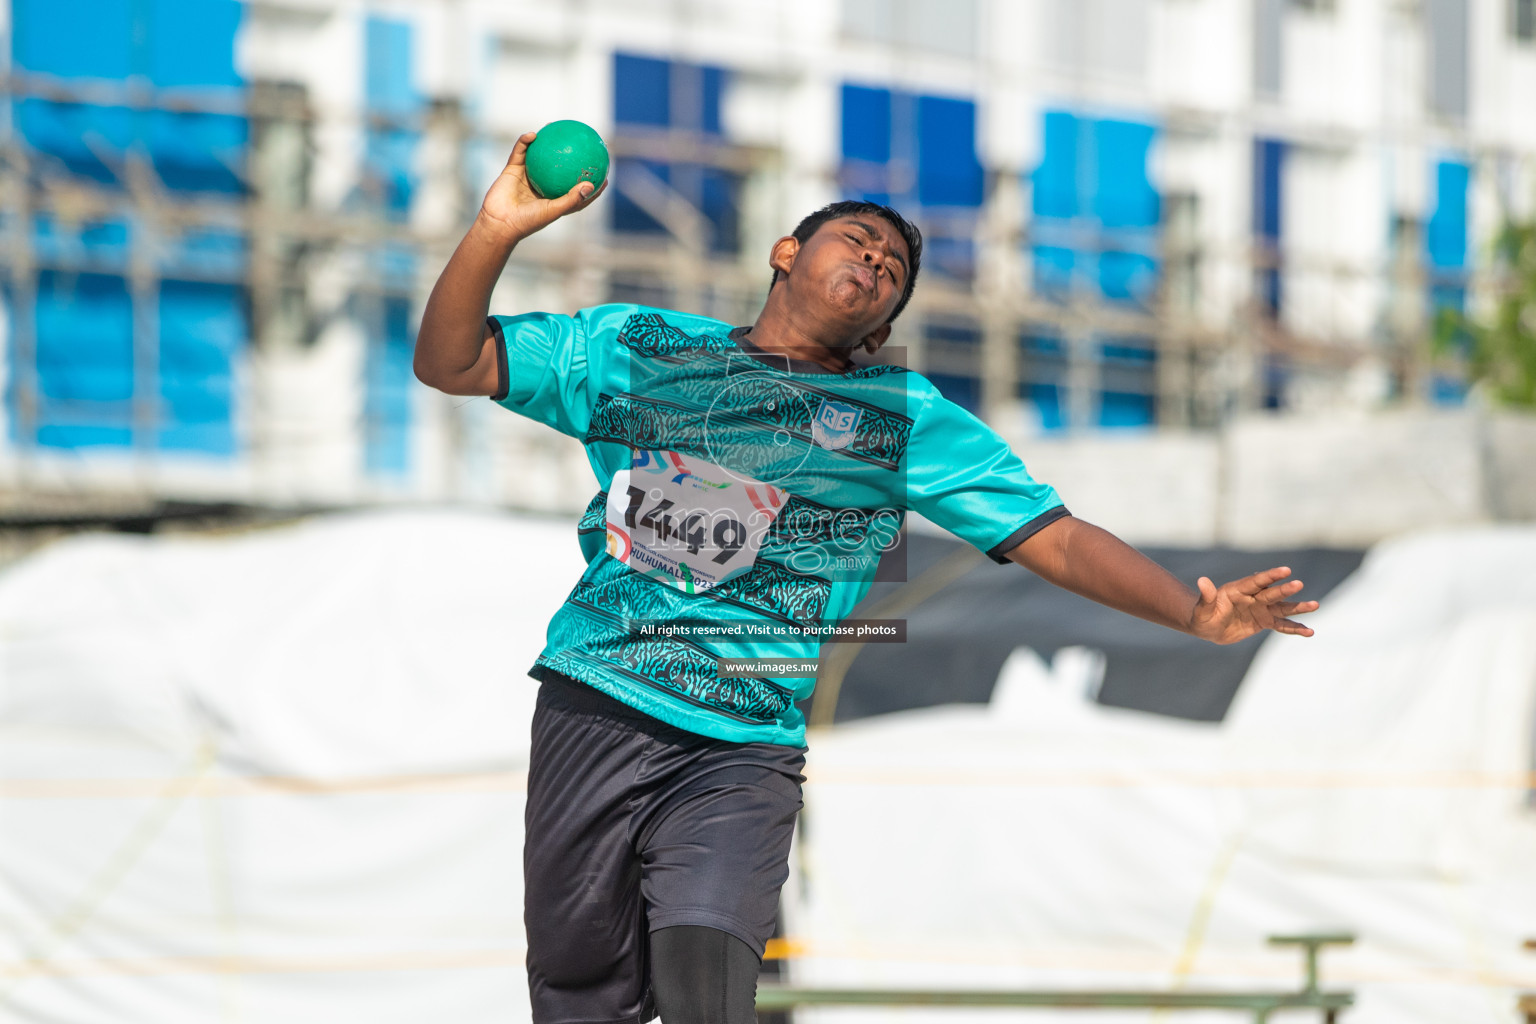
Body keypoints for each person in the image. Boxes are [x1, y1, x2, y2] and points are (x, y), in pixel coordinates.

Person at [414, 131, 1317, 1024]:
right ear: (786, 252)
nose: (879, 261)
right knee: (579, 1000)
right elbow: (449, 362)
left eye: (893, 269)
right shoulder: (637, 346)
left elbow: (1057, 538)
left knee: (706, 993)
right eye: (859, 240)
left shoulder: (902, 417)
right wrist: (497, 229)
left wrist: (1189, 613)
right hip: (596, 700)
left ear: (883, 327)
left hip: (744, 741)